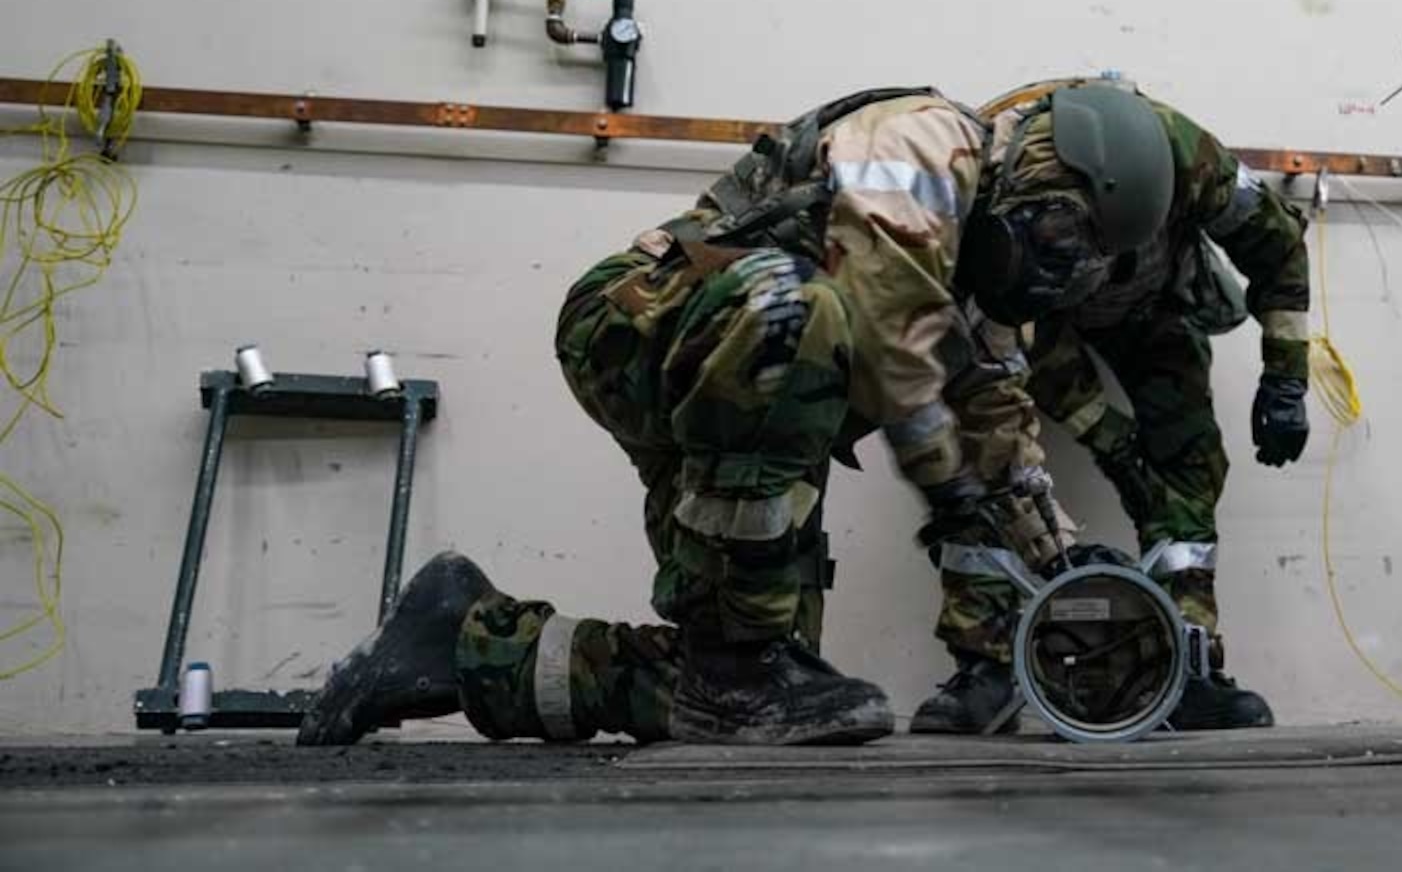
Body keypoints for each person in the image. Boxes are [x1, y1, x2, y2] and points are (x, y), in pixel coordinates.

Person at [298, 83, 1174, 746]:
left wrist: (1070, 572)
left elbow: (1001, 441)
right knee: (804, 309)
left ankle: (461, 639)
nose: (1059, 272)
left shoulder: (985, 291)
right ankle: (737, 668)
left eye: (1085, 265)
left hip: (743, 401)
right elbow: (877, 311)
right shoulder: (925, 142)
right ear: (1032, 171)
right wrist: (948, 488)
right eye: (1062, 237)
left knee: (753, 696)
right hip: (642, 329)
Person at [914, 79, 1311, 735]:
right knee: (982, 456)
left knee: (1188, 460)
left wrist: (1286, 379)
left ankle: (1187, 661)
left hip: (1152, 308)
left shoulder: (1194, 159)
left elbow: (1277, 246)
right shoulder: (990, 178)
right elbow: (996, 352)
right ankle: (984, 664)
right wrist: (1109, 439)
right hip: (1035, 320)